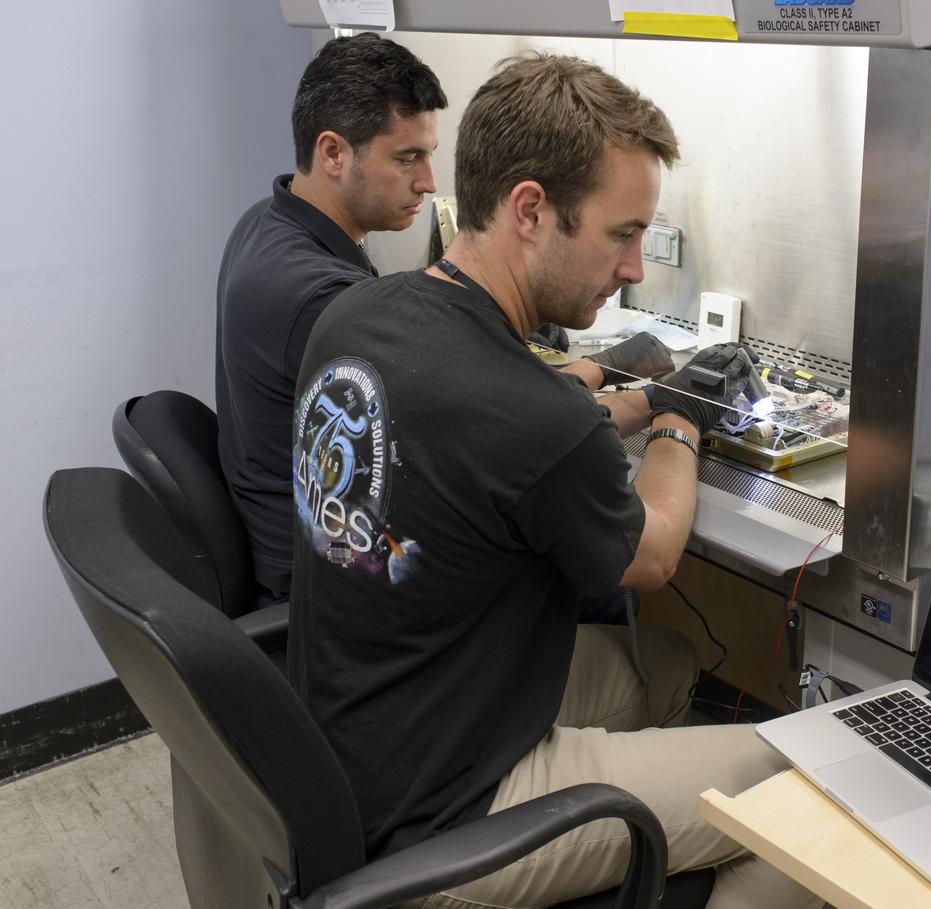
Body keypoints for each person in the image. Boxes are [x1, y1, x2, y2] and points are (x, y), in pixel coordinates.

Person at [288, 53, 822, 909]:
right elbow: (649, 554)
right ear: (531, 209)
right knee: (805, 785)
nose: (637, 268)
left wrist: (629, 395)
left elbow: (487, 433)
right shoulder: (535, 421)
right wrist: (683, 419)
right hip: (447, 816)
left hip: (352, 738)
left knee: (673, 667)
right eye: (623, 234)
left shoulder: (357, 313)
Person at [217, 34, 672, 603]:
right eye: (408, 158)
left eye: (430, 155)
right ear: (333, 153)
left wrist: (601, 373)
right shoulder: (322, 299)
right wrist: (668, 412)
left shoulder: (269, 224)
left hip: (329, 549)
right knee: (611, 598)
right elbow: (492, 422)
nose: (430, 182)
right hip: (336, 580)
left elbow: (467, 406)